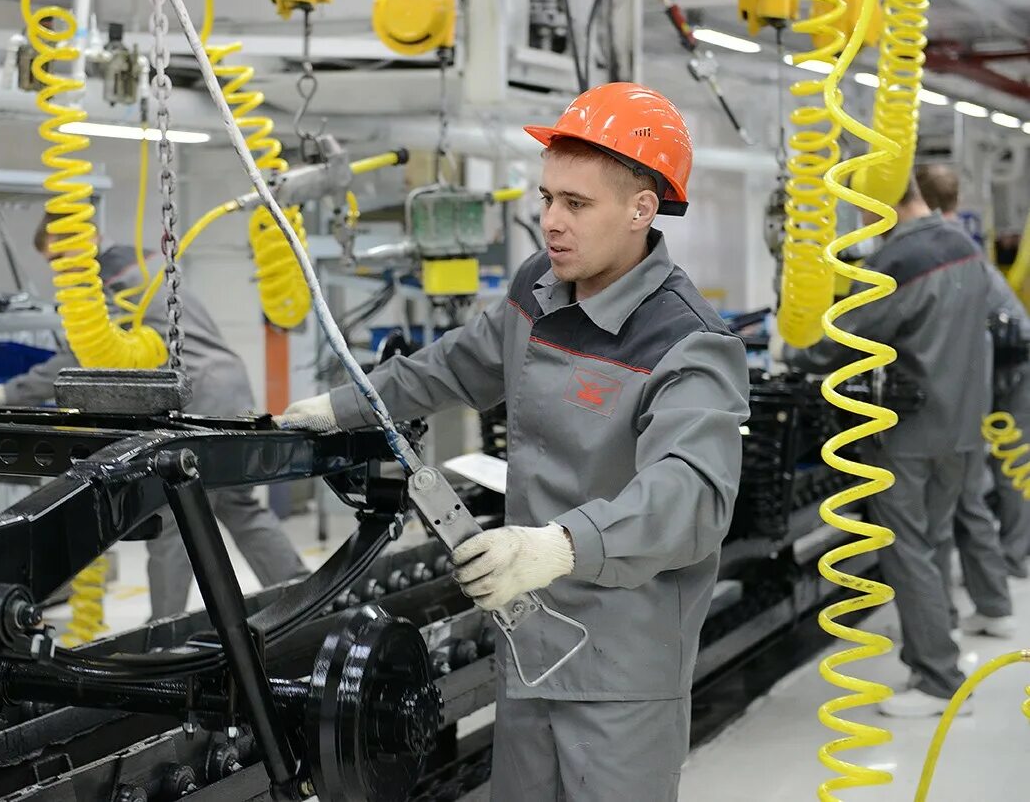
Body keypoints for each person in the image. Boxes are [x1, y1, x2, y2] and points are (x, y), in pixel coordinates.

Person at [279, 83, 750, 802]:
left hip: (621, 666)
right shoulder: (540, 285)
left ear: (640, 210)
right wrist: (340, 406)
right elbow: (457, 363)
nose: (551, 221)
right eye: (547, 197)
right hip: (526, 636)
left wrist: (554, 548)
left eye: (576, 204)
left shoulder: (688, 341)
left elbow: (691, 498)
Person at [0, 225, 308, 617]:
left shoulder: (111, 283)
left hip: (196, 394)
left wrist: (8, 393)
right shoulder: (141, 263)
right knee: (239, 505)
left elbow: (83, 356)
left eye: (59, 256)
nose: (59, 270)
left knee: (174, 513)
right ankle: (305, 598)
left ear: (85, 240)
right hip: (228, 386)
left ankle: (161, 630)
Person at [783, 175, 992, 716]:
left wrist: (792, 349)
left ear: (881, 200)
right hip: (962, 426)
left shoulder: (900, 261)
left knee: (907, 549)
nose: (861, 224)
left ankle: (938, 680)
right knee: (935, 538)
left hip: (909, 430)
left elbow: (843, 338)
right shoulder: (964, 245)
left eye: (861, 210)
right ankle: (940, 635)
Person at [918, 162, 1029, 590]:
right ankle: (1003, 566)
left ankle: (1012, 560)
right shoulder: (959, 242)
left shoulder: (947, 246)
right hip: (998, 363)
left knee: (1007, 465)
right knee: (986, 473)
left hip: (1010, 366)